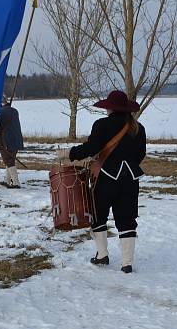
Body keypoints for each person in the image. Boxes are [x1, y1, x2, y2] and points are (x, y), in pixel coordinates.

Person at [56, 90, 146, 273]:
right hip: (130, 179)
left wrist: (69, 153)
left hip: (106, 178)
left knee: (98, 215)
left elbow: (91, 148)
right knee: (127, 219)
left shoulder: (102, 124)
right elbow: (140, 155)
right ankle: (127, 263)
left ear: (110, 108)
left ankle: (102, 255)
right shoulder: (138, 127)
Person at [0, 98, 24, 188]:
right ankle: (7, 181)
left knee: (9, 161)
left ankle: (16, 182)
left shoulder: (1, 112)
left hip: (6, 140)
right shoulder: (15, 111)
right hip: (17, 140)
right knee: (10, 160)